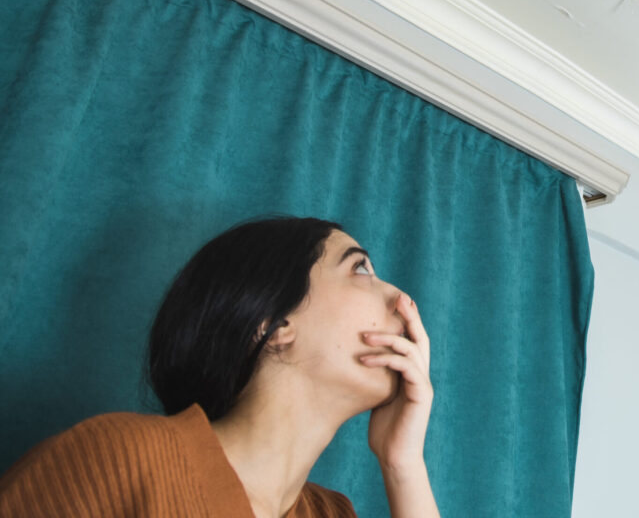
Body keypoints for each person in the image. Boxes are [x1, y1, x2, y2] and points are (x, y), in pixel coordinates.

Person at [0, 216, 441, 518]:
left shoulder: (329, 514)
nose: (402, 299)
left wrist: (404, 464)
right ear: (272, 326)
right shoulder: (119, 458)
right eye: (360, 268)